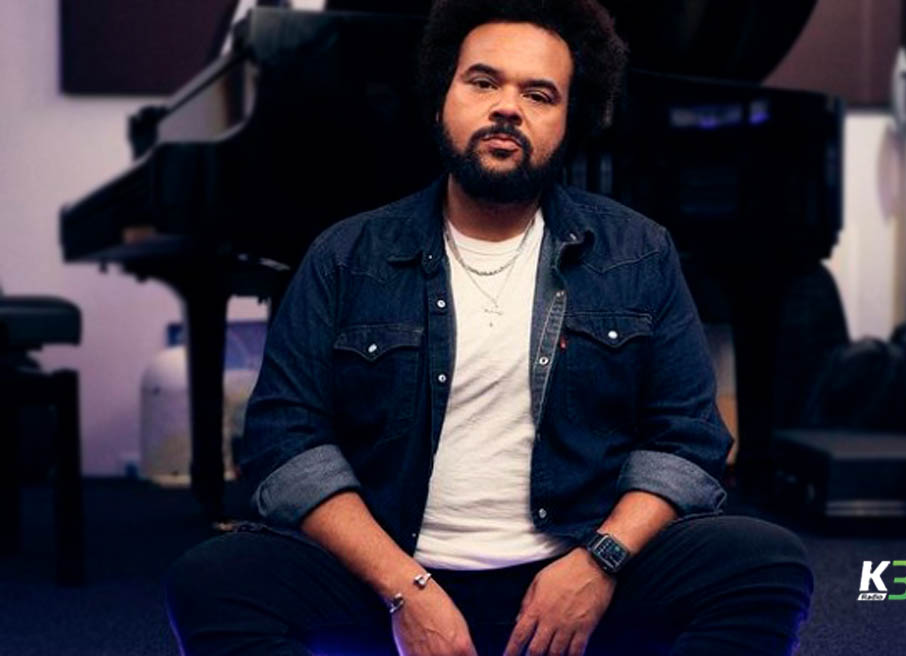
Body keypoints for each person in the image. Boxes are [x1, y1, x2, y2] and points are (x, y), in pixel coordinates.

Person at [165, 1, 813, 654]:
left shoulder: (637, 253)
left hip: (573, 578)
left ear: (570, 120)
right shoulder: (346, 256)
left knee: (764, 565)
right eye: (483, 82)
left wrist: (598, 562)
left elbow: (687, 440)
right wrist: (404, 588)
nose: (507, 108)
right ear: (441, 98)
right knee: (213, 581)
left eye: (539, 94)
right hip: (394, 579)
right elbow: (286, 443)